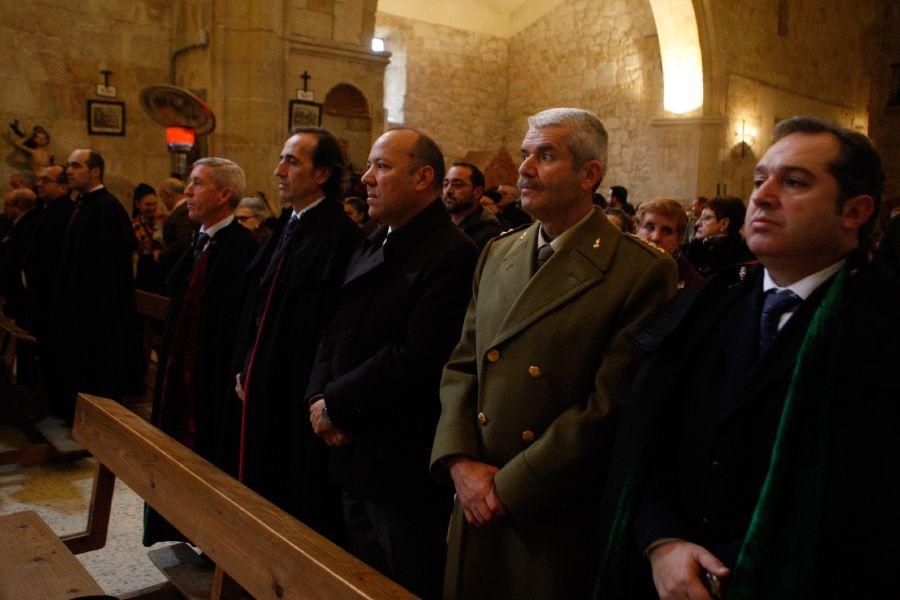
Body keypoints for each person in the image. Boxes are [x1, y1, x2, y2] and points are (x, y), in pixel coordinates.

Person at [596, 116, 900, 600]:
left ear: (855, 212)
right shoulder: (706, 304)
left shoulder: (882, 327)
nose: (762, 195)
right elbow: (647, 438)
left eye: (794, 182)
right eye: (760, 180)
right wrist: (663, 541)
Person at [430, 108, 677, 600]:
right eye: (525, 154)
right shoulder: (499, 253)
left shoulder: (637, 270)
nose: (524, 169)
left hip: (543, 507)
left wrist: (507, 487)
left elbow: (609, 405)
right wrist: (459, 461)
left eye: (545, 156)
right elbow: (463, 363)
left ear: (590, 174)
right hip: (473, 491)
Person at [307, 128, 479, 598]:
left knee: (400, 583)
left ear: (424, 177)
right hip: (349, 445)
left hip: (399, 463)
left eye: (382, 166)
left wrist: (334, 404)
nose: (366, 178)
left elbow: (416, 358)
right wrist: (318, 398)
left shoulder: (452, 254)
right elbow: (335, 329)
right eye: (369, 165)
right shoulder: (373, 239)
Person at [229, 127, 361, 541]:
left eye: (292, 161)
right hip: (264, 382)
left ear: (322, 174)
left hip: (296, 392)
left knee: (292, 500)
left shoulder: (339, 235)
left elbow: (331, 328)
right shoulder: (290, 223)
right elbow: (260, 307)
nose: (278, 170)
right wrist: (245, 366)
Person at [144, 157, 258, 545]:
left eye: (196, 183)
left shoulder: (243, 249)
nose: (187, 191)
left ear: (224, 193)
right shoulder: (196, 240)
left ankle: (210, 540)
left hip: (213, 384)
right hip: (181, 375)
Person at [47, 149, 144, 422]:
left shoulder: (107, 208)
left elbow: (109, 268)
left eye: (76, 166)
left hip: (97, 310)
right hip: (77, 305)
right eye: (68, 166)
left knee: (96, 368)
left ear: (95, 171)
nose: (68, 171)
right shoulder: (83, 204)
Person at [23, 165, 72, 340]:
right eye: (38, 180)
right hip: (36, 290)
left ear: (63, 187)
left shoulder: (67, 213)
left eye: (46, 180)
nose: (39, 184)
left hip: (51, 291)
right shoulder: (44, 209)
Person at [635, 198, 703, 290]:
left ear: (679, 238)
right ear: (637, 229)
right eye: (650, 227)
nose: (656, 237)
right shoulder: (620, 265)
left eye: (667, 231)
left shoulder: (692, 284)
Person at [684, 196, 755, 277]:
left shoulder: (734, 258)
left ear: (724, 223)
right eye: (700, 218)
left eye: (706, 218)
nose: (697, 223)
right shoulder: (698, 248)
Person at [0, 188, 40, 323]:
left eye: (8, 205)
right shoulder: (19, 223)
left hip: (18, 292)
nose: (5, 209)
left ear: (19, 207)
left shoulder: (27, 226)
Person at [442, 162, 502, 250]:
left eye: (457, 185)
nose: (448, 191)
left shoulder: (489, 235)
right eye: (445, 184)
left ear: (477, 192)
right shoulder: (437, 223)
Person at [157, 177, 198, 283]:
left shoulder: (183, 212)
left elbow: (184, 243)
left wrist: (161, 255)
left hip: (179, 273)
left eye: (162, 197)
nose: (163, 202)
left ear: (168, 195)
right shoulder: (184, 209)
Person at [131, 183, 165, 292]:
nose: (152, 208)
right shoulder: (132, 225)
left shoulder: (164, 221)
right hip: (143, 271)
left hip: (162, 271)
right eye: (148, 204)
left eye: (154, 204)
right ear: (137, 204)